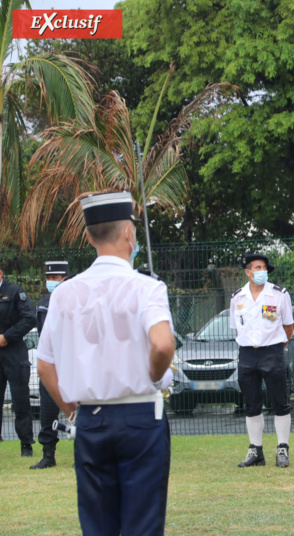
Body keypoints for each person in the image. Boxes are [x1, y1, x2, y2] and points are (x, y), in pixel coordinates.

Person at [36, 191, 175, 535]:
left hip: (90, 418)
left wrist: (72, 412)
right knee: (141, 524)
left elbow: (44, 365)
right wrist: (155, 377)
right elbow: (162, 344)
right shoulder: (147, 288)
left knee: (98, 525)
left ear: (88, 236)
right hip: (141, 415)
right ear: (129, 233)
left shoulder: (65, 293)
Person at [230, 252, 293, 468]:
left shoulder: (278, 294)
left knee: (280, 403)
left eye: (264, 268)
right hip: (247, 354)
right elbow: (237, 327)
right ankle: (255, 450)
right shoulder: (237, 297)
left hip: (272, 352)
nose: (262, 272)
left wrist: (275, 347)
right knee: (251, 404)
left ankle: (282, 448)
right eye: (257, 268)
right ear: (248, 272)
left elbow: (288, 327)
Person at [29, 261, 69, 469]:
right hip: (51, 363)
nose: (51, 282)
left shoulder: (76, 299)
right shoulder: (44, 303)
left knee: (82, 409)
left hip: (72, 362)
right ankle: (48, 454)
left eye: (55, 278)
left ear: (65, 277)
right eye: (49, 278)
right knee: (47, 410)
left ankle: (84, 451)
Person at [0, 263, 37, 456]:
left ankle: (26, 444)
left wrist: (7, 337)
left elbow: (29, 318)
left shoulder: (14, 291)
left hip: (13, 352)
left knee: (20, 400)